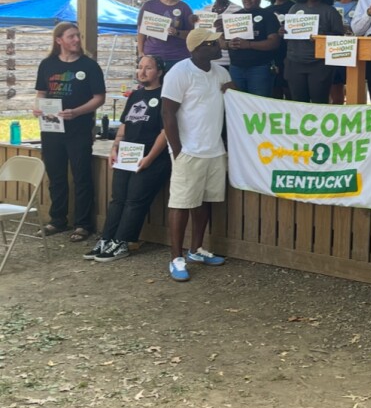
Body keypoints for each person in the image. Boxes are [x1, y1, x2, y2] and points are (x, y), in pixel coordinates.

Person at [161, 29, 234, 282]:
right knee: (182, 203)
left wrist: (234, 90)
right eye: (213, 43)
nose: (219, 46)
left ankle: (196, 249)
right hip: (189, 150)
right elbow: (167, 113)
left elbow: (231, 103)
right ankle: (176, 257)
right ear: (198, 48)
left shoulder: (221, 73)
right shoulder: (179, 72)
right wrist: (178, 150)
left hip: (214, 148)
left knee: (205, 201)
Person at [84, 55, 172, 262]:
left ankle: (123, 241)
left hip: (151, 156)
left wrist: (150, 158)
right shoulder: (135, 95)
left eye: (148, 68)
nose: (142, 72)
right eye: (140, 67)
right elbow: (124, 124)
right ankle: (107, 238)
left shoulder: (165, 96)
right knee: (118, 198)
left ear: (159, 72)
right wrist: (114, 148)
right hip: (127, 152)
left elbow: (165, 131)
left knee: (134, 200)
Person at [33, 22, 106, 242]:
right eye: (71, 36)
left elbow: (99, 98)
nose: (76, 40)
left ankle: (83, 224)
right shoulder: (47, 64)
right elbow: (41, 93)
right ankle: (57, 220)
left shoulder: (89, 66)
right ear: (59, 40)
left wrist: (76, 112)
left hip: (79, 129)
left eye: (77, 36)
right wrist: (38, 108)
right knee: (56, 176)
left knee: (81, 175)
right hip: (51, 130)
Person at [285, 0, 344, 103]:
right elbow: (288, 34)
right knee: (298, 103)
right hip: (294, 62)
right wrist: (283, 31)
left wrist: (322, 36)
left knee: (319, 103)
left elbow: (340, 38)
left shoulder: (330, 11)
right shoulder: (294, 8)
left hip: (319, 65)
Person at [225, 0, 280, 97]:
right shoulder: (234, 16)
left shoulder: (268, 15)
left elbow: (274, 42)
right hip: (236, 68)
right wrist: (229, 44)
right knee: (238, 103)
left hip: (259, 69)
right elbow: (222, 42)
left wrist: (249, 44)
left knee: (258, 105)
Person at [137, 0, 194, 69]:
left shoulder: (184, 7)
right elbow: (141, 31)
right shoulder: (149, 6)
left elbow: (192, 34)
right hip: (153, 55)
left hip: (178, 57)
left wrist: (177, 32)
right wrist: (140, 52)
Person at [330, 0, 359, 104]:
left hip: (355, 50)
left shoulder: (360, 5)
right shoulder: (330, 5)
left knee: (355, 87)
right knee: (336, 88)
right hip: (334, 50)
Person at [204, 0, 240, 69]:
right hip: (209, 61)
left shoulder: (237, 10)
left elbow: (241, 36)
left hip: (230, 61)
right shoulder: (205, 10)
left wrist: (225, 28)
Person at [268, 0, 294, 99]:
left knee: (290, 90)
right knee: (275, 90)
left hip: (290, 53)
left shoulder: (295, 8)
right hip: (273, 54)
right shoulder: (267, 10)